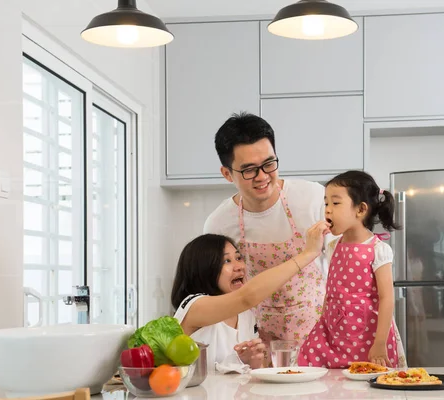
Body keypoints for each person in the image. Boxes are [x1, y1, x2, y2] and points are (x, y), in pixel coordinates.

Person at [204, 112, 332, 352]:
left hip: (318, 335)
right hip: (257, 344)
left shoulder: (314, 198)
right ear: (227, 173)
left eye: (269, 164)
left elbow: (341, 265)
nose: (262, 176)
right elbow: (220, 294)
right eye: (249, 170)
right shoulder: (218, 224)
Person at [171, 221, 329, 373]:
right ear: (204, 268)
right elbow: (247, 297)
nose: (239, 266)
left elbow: (246, 372)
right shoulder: (195, 306)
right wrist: (308, 253)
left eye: (239, 258)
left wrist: (252, 363)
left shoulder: (246, 315)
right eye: (227, 261)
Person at [298, 170, 407, 369]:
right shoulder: (332, 246)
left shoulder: (378, 250)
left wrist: (380, 343)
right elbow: (331, 291)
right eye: (326, 203)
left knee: (369, 381)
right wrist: (324, 321)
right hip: (334, 332)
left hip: (368, 335)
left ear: (360, 209)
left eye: (335, 203)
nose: (328, 210)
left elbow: (387, 298)